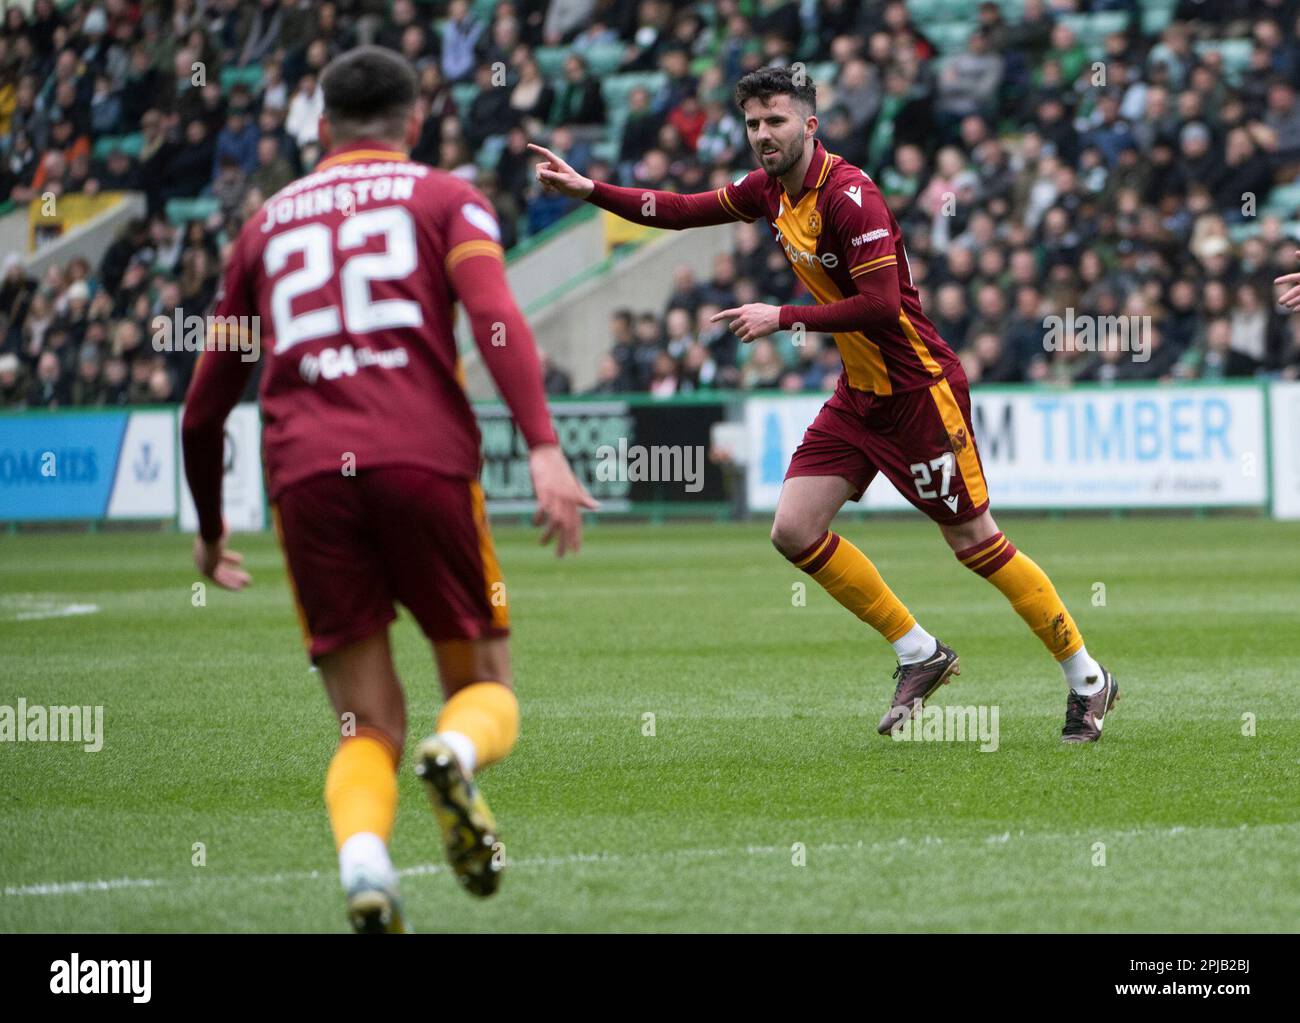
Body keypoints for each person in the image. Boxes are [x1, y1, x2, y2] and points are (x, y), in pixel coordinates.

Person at [531, 66, 1117, 744]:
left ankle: (1088, 678)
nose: (762, 134)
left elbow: (881, 305)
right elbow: (684, 208)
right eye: (753, 122)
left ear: (810, 124)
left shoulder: (850, 196)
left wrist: (782, 316)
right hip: (859, 396)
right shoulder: (770, 192)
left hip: (919, 392)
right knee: (793, 528)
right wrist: (589, 190)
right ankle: (918, 651)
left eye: (776, 120)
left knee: (975, 544)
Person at [181, 46, 596, 933]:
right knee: (485, 682)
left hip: (306, 482)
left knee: (364, 724)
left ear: (320, 128)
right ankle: (454, 751)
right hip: (425, 463)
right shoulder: (444, 196)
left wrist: (212, 531)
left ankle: (366, 865)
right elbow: (492, 315)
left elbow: (201, 412)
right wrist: (544, 447)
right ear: (415, 124)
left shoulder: (264, 225)